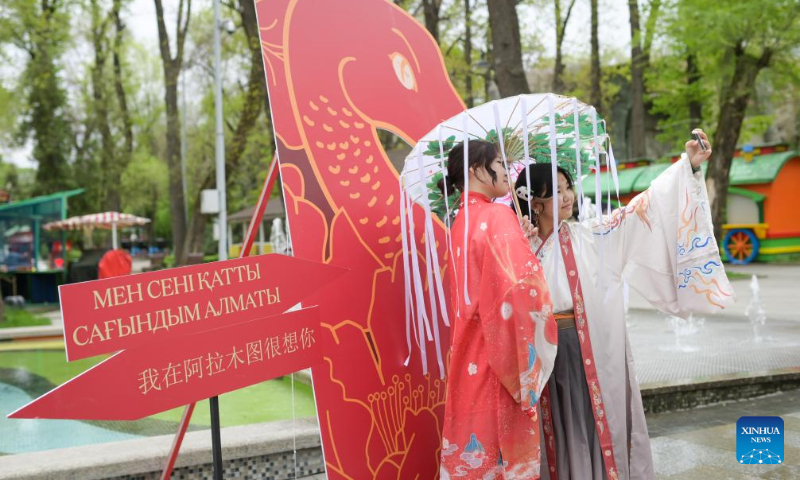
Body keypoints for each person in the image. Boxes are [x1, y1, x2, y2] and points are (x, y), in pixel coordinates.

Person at [514, 130, 733, 480]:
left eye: (568, 186)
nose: (568, 195)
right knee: (557, 427)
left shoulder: (592, 235)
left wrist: (686, 166)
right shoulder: (519, 249)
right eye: (556, 191)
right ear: (535, 202)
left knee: (590, 424)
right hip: (543, 357)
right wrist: (518, 253)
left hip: (587, 351)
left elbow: (641, 209)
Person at [438, 139, 558, 479]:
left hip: (467, 355)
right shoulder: (497, 214)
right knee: (501, 453)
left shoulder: (461, 220)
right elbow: (523, 290)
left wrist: (517, 241)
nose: (508, 172)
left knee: (475, 455)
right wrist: (525, 254)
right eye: (501, 164)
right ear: (478, 169)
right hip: (496, 359)